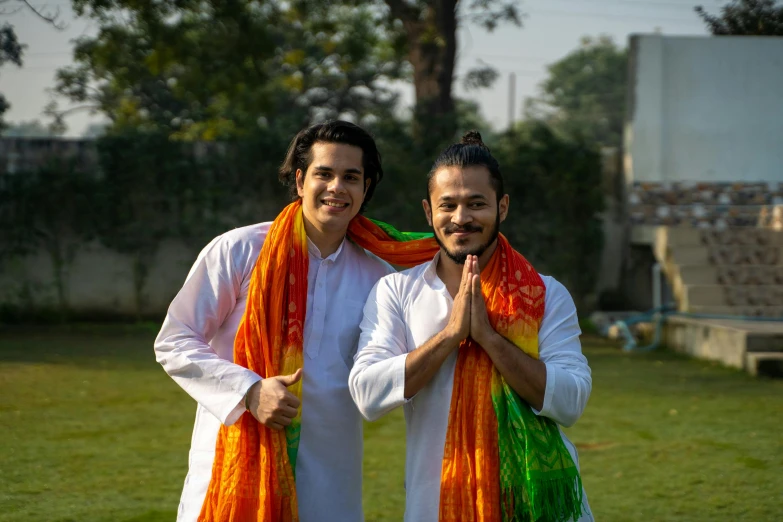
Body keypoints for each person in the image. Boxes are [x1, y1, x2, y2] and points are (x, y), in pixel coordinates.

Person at [154, 120, 435, 522]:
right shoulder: (241, 250)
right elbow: (175, 339)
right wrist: (249, 391)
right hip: (235, 465)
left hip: (331, 478)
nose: (337, 187)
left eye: (351, 177)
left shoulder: (380, 278)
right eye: (324, 173)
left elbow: (390, 368)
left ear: (366, 188)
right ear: (301, 180)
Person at [349, 131, 594, 522]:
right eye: (448, 205)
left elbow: (570, 402)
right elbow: (368, 395)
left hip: (537, 505)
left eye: (476, 204)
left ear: (503, 207)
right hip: (437, 503)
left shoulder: (544, 294)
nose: (461, 218)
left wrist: (490, 339)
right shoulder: (397, 290)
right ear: (429, 213)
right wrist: (450, 336)